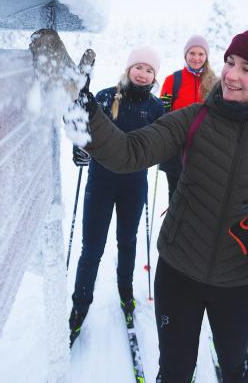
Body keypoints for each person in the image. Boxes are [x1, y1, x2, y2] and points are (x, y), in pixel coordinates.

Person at [74, 26, 248, 382]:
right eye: (230, 62)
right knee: (174, 371)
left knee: (234, 366)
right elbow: (128, 152)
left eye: (247, 69)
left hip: (240, 282)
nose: (230, 75)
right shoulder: (194, 118)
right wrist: (87, 111)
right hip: (179, 272)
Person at [69, 46, 165, 346]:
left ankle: (126, 290)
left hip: (134, 185)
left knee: (127, 240)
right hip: (101, 182)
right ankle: (80, 305)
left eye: (149, 70)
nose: (142, 73)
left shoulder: (155, 107)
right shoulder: (106, 96)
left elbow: (161, 144)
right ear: (128, 68)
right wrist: (79, 148)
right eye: (138, 67)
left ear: (154, 76)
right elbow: (84, 127)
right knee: (92, 248)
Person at [158, 35, 218, 201]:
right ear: (185, 55)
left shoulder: (215, 83)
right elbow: (163, 113)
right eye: (192, 53)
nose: (196, 58)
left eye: (201, 54)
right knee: (175, 196)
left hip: (204, 149)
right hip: (176, 148)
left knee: (199, 199)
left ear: (206, 56)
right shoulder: (172, 80)